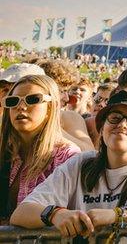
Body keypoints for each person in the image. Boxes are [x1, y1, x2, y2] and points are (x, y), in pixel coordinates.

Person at [11, 90, 127, 239]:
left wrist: (116, 215)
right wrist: (55, 214)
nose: (122, 125)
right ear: (102, 126)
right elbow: (21, 213)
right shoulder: (81, 163)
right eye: (114, 118)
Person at [0, 75, 80, 222]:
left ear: (51, 107)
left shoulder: (68, 156)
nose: (21, 106)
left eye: (33, 99)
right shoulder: (5, 151)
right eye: (13, 101)